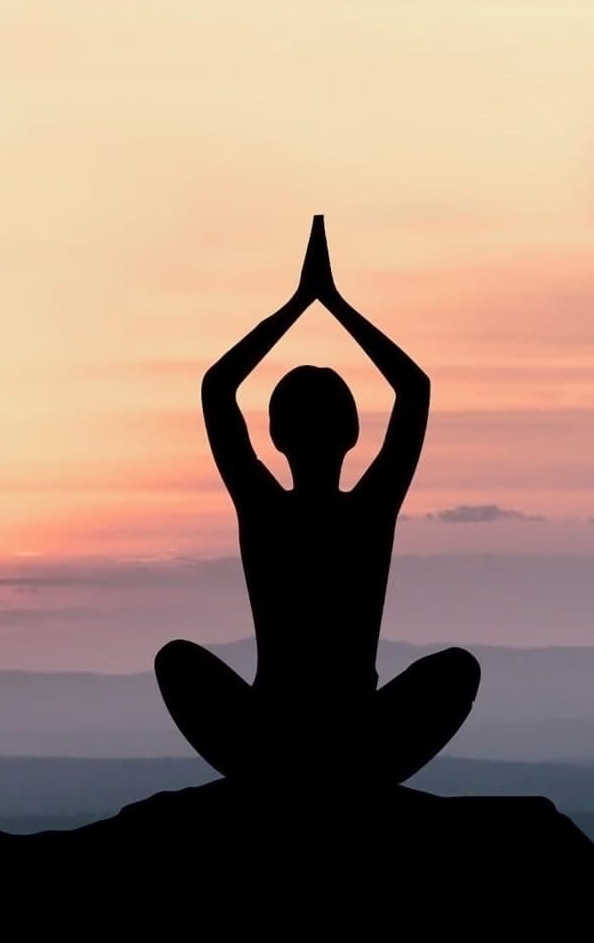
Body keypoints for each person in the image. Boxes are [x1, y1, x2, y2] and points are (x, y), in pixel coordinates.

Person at [155, 216, 480, 786]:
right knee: (457, 671)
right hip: (356, 738)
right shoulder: (369, 510)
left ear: (276, 436)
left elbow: (216, 388)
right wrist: (331, 303)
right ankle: (340, 778)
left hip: (272, 736)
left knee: (176, 661)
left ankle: (283, 777)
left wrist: (301, 303)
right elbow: (414, 389)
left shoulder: (263, 507)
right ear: (353, 434)